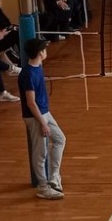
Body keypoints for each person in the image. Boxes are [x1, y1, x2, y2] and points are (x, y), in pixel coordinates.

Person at [19, 38, 66, 200]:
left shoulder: (38, 66)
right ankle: (43, 187)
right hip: (35, 117)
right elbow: (30, 102)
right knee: (40, 153)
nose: (46, 51)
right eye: (44, 49)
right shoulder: (28, 74)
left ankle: (53, 177)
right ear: (40, 53)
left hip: (45, 113)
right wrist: (42, 123)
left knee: (60, 139)